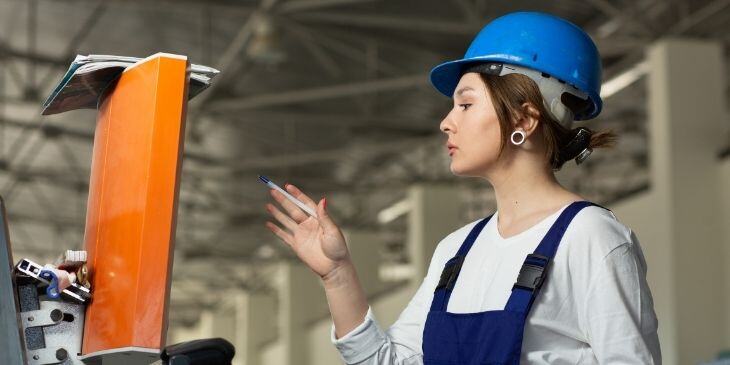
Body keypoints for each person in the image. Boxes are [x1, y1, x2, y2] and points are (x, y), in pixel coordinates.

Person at [264, 11, 661, 365]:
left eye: (465, 104)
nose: (446, 123)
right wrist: (337, 274)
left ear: (525, 118)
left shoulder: (591, 237)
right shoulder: (456, 251)